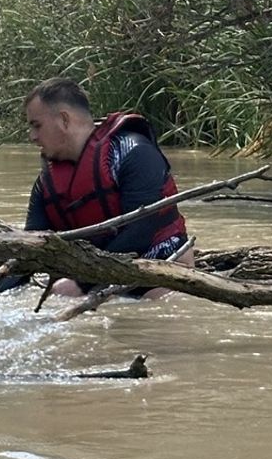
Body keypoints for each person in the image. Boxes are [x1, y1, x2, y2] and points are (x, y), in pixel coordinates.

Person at [20, 77, 193, 298]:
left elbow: (141, 233)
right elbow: (31, 248)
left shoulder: (134, 153)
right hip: (94, 276)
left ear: (64, 120)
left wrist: (83, 283)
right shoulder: (46, 183)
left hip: (158, 269)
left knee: (156, 301)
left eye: (37, 125)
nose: (32, 136)